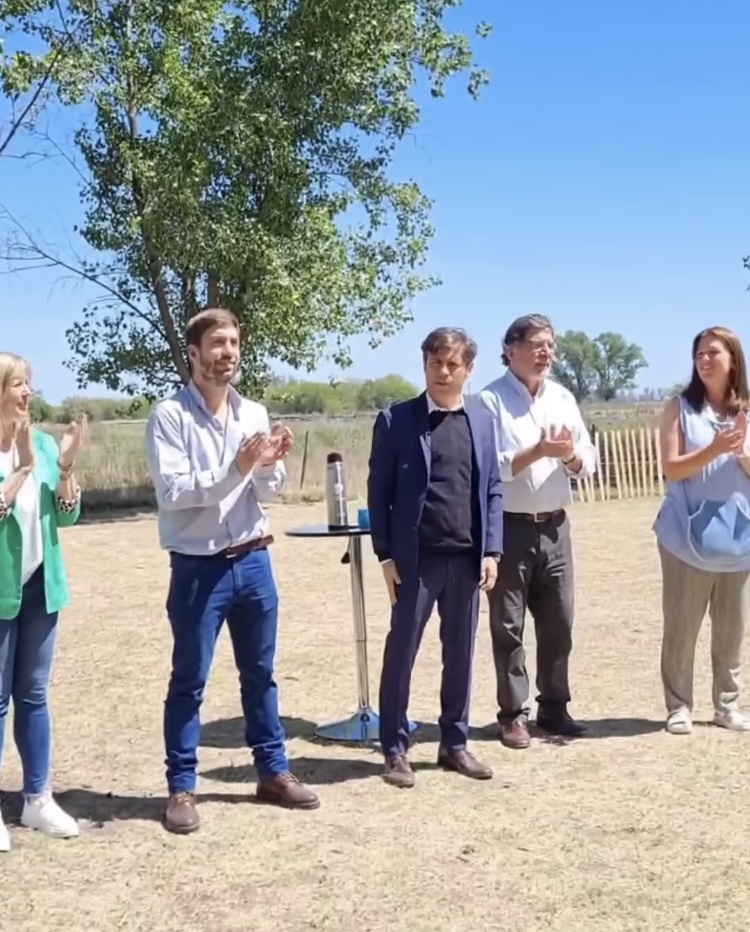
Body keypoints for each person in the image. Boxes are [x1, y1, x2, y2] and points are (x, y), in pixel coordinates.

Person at [145, 308, 319, 835]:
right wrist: (237, 468)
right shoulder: (170, 416)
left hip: (254, 560)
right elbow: (175, 494)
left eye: (234, 343)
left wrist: (268, 464)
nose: (228, 353)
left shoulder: (253, 413)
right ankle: (182, 788)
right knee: (189, 679)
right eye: (218, 343)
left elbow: (268, 492)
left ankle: (273, 773)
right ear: (193, 353)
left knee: (261, 674)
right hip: (198, 569)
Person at [367, 327, 503, 789]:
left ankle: (455, 744)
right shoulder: (395, 420)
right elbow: (379, 491)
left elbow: (493, 488)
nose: (442, 372)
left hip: (467, 560)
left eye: (452, 364)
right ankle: (394, 749)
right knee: (401, 653)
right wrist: (385, 555)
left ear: (469, 369)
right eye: (434, 363)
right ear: (424, 365)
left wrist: (492, 550)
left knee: (460, 655)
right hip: (415, 562)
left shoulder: (482, 420)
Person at [478, 314, 596, 750]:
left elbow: (588, 460)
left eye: (550, 344)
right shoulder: (489, 401)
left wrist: (568, 457)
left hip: (556, 527)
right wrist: (539, 451)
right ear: (510, 350)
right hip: (509, 528)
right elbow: (489, 466)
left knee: (559, 622)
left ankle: (554, 708)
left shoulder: (562, 397)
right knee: (508, 626)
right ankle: (513, 715)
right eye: (536, 344)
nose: (546, 352)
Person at [0, 352, 87, 852]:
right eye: (17, 383)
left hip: (41, 588)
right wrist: (22, 470)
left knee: (33, 696)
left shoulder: (47, 446)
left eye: (28, 383)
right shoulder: (24, 454)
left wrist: (66, 464)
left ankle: (38, 798)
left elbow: (67, 515)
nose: (27, 392)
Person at [653, 326, 750, 735]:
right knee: (682, 626)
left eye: (713, 353)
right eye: (699, 354)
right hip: (685, 536)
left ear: (734, 360)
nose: (704, 360)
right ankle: (679, 706)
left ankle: (727, 705)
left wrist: (741, 453)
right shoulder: (679, 409)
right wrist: (714, 449)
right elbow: (672, 468)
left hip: (739, 538)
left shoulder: (746, 412)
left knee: (732, 630)